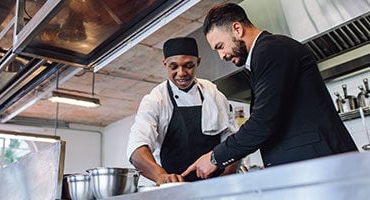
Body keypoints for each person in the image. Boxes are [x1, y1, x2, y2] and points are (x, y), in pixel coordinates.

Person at [182, 3, 358, 179]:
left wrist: (214, 157)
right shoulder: (262, 56)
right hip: (310, 168)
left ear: (237, 29)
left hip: (320, 166)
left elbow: (263, 122)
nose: (222, 56)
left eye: (220, 46)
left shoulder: (272, 50)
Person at [126, 37, 238, 184]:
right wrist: (161, 176)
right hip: (175, 187)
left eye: (188, 65)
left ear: (198, 62)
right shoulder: (156, 99)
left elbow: (232, 140)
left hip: (216, 185)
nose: (181, 73)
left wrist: (227, 175)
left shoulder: (213, 94)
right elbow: (137, 147)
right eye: (174, 67)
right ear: (165, 64)